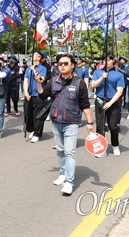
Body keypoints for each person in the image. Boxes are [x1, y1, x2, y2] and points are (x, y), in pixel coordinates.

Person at [36, 53, 94, 195]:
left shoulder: (79, 82)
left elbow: (85, 104)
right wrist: (38, 83)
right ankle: (62, 173)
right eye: (60, 63)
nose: (62, 66)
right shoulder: (54, 81)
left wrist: (90, 123)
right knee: (60, 150)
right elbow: (43, 95)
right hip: (56, 121)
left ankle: (69, 182)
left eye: (65, 63)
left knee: (70, 152)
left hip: (71, 123)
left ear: (72, 65)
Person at [91, 53, 125, 156]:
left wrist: (110, 103)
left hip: (112, 101)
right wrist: (102, 78)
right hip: (100, 100)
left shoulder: (119, 74)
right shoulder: (98, 72)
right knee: (100, 126)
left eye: (109, 60)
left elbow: (120, 91)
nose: (107, 62)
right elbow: (93, 85)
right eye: (105, 60)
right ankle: (101, 148)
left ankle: (115, 145)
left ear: (113, 61)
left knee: (112, 125)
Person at [23, 51, 48, 143]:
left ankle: (37, 134)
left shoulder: (43, 68)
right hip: (30, 94)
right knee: (28, 114)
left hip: (38, 94)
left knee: (38, 115)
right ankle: (32, 129)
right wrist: (26, 92)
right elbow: (25, 81)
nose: (33, 55)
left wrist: (34, 70)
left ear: (39, 57)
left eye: (36, 54)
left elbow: (41, 79)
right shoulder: (28, 68)